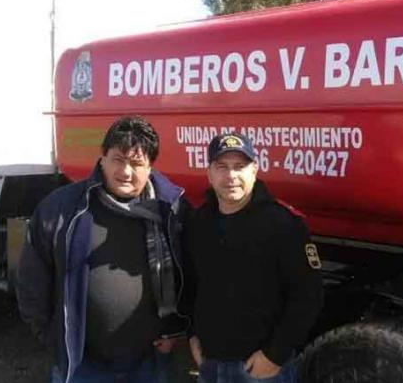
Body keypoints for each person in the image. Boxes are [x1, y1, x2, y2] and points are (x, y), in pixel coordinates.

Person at [16, 116, 190, 383]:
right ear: (102, 158)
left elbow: (189, 273)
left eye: (136, 163)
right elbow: (31, 280)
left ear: (150, 167)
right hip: (83, 366)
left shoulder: (171, 209)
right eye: (118, 160)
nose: (126, 172)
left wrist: (175, 329)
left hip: (148, 363)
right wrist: (53, 338)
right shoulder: (62, 208)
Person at [185, 133, 324, 383]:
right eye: (222, 167)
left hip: (260, 369)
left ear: (255, 170)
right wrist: (192, 335)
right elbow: (192, 284)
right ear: (209, 173)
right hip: (211, 364)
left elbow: (308, 295)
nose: (231, 176)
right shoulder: (199, 222)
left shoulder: (283, 224)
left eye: (240, 167)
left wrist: (275, 355)